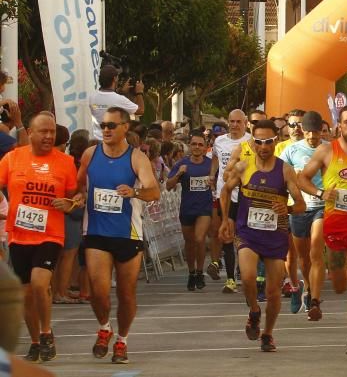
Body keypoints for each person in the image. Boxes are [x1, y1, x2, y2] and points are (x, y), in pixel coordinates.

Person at [76, 107, 161, 363]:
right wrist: (78, 198)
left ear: (125, 127)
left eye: (111, 126)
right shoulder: (90, 154)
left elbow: (153, 192)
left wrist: (134, 193)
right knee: (98, 290)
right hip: (97, 232)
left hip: (128, 235)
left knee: (126, 294)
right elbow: (79, 185)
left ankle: (122, 340)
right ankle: (104, 327)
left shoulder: (137, 158)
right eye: (103, 125)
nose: (106, 130)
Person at [219, 119, 307, 352]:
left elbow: (301, 205)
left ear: (275, 141)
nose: (263, 147)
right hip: (248, 233)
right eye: (258, 142)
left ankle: (267, 333)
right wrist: (226, 219)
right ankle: (254, 310)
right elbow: (225, 191)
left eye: (268, 141)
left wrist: (286, 208)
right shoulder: (243, 166)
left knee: (273, 291)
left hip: (275, 236)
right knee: (247, 277)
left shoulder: (284, 169)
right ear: (253, 142)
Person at [0, 112, 79, 363]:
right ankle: (35, 341)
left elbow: (77, 196)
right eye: (43, 131)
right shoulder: (12, 159)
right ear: (30, 133)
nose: (48, 136)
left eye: (52, 132)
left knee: (39, 283)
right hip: (19, 235)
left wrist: (70, 203)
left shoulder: (65, 162)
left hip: (50, 234)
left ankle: (46, 333)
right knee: (25, 294)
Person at [298, 107, 347, 357]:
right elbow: (302, 179)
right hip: (335, 226)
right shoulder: (326, 150)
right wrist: (321, 193)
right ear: (339, 126)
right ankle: (345, 268)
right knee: (341, 284)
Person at [278, 110, 324, 315]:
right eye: (309, 133)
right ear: (302, 131)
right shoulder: (291, 150)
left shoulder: (330, 150)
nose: (313, 137)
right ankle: (306, 286)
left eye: (317, 132)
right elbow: (277, 175)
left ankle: (315, 298)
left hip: (321, 207)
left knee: (315, 250)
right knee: (302, 257)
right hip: (298, 208)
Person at [207, 110, 251, 292]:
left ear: (245, 122)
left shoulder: (251, 142)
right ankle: (230, 280)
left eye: (238, 122)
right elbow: (216, 158)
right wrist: (212, 174)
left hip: (244, 194)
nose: (234, 125)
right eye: (231, 121)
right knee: (225, 234)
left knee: (244, 236)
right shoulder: (219, 141)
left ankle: (246, 272)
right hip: (223, 193)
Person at [166, 133, 214, 291]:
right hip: (187, 208)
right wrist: (179, 173)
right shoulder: (182, 163)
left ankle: (200, 272)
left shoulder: (210, 165)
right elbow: (168, 186)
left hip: (204, 209)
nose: (197, 147)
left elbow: (219, 183)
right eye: (194, 144)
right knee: (189, 243)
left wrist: (213, 183)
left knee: (199, 239)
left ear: (206, 147)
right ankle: (191, 272)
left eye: (200, 145)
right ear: (190, 146)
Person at [88, 65, 144, 140]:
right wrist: (139, 92)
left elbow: (107, 103)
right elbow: (140, 111)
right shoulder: (119, 100)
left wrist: (120, 92)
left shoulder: (92, 97)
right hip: (115, 144)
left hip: (97, 141)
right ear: (115, 78)